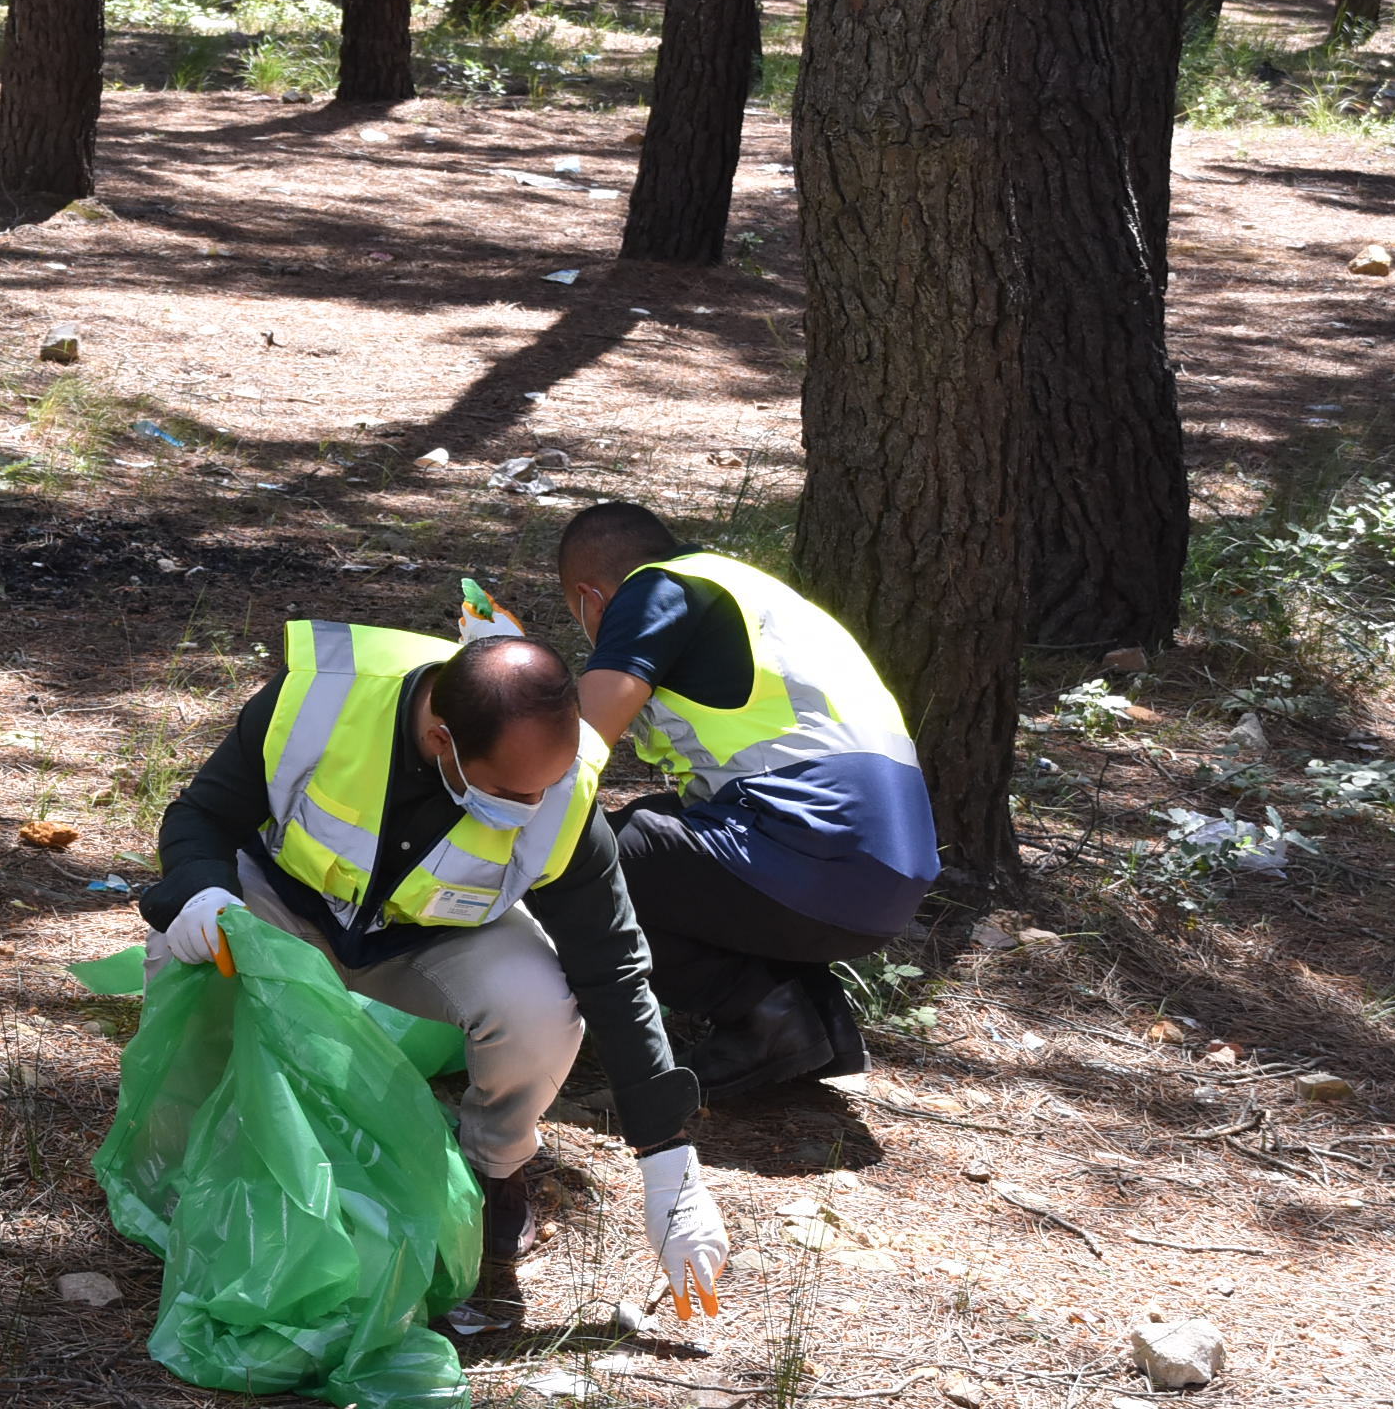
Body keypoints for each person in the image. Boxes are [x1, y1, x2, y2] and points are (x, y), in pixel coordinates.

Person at [142, 626, 731, 1316]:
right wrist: (201, 891)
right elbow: (201, 816)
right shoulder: (319, 702)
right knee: (177, 948)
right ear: (442, 742)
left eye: (545, 786)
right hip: (285, 909)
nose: (533, 806)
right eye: (512, 792)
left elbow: (613, 965)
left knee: (538, 1008)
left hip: (432, 939)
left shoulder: (560, 790)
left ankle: (487, 1175)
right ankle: (188, 1161)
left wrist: (667, 1160)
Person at [552, 502, 940, 1099]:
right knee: (668, 830)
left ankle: (761, 1020)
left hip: (814, 858)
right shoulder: (749, 592)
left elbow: (577, 744)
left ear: (590, 598)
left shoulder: (654, 588)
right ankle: (816, 1018)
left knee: (595, 853)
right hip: (887, 874)